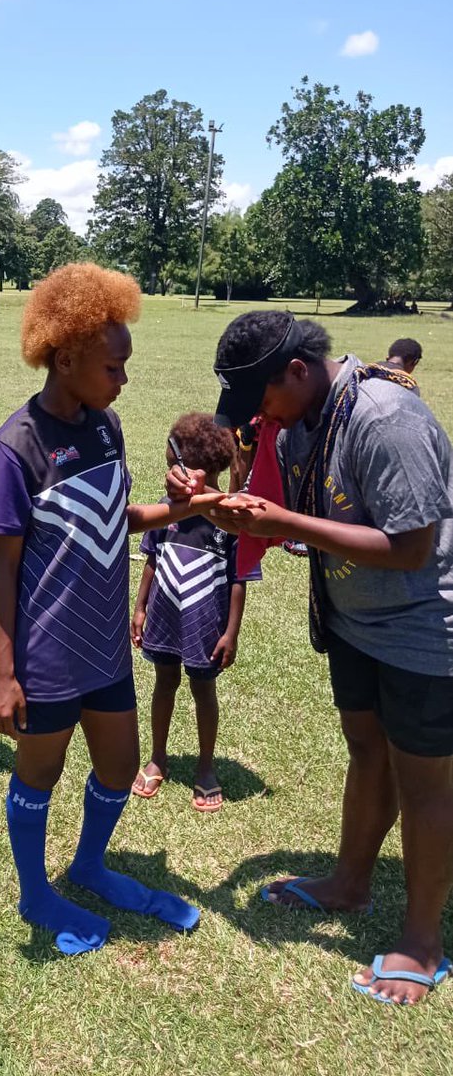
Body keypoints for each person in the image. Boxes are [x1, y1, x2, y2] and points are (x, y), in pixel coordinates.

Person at [171, 310, 453, 1006]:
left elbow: (411, 547)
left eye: (262, 397)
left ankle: (421, 942)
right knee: (366, 753)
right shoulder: (300, 419)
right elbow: (288, 514)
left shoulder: (384, 418)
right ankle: (349, 883)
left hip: (422, 627)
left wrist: (286, 522)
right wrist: (216, 506)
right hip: (354, 620)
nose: (258, 416)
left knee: (424, 783)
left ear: (296, 370)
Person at [0, 263, 220, 955]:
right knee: (39, 774)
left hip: (107, 646)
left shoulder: (106, 428)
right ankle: (35, 892)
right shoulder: (15, 449)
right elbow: (3, 571)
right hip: (47, 652)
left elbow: (114, 519)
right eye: (113, 367)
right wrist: (3, 674)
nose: (123, 379)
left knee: (118, 767)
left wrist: (189, 507)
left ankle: (88, 865)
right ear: (65, 359)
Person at [131, 414, 258, 811]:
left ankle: (205, 767)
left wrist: (231, 632)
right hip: (165, 613)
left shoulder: (230, 516)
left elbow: (239, 579)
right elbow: (151, 558)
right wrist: (140, 607)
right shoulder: (167, 509)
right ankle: (158, 757)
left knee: (204, 690)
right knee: (164, 681)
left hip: (206, 621)